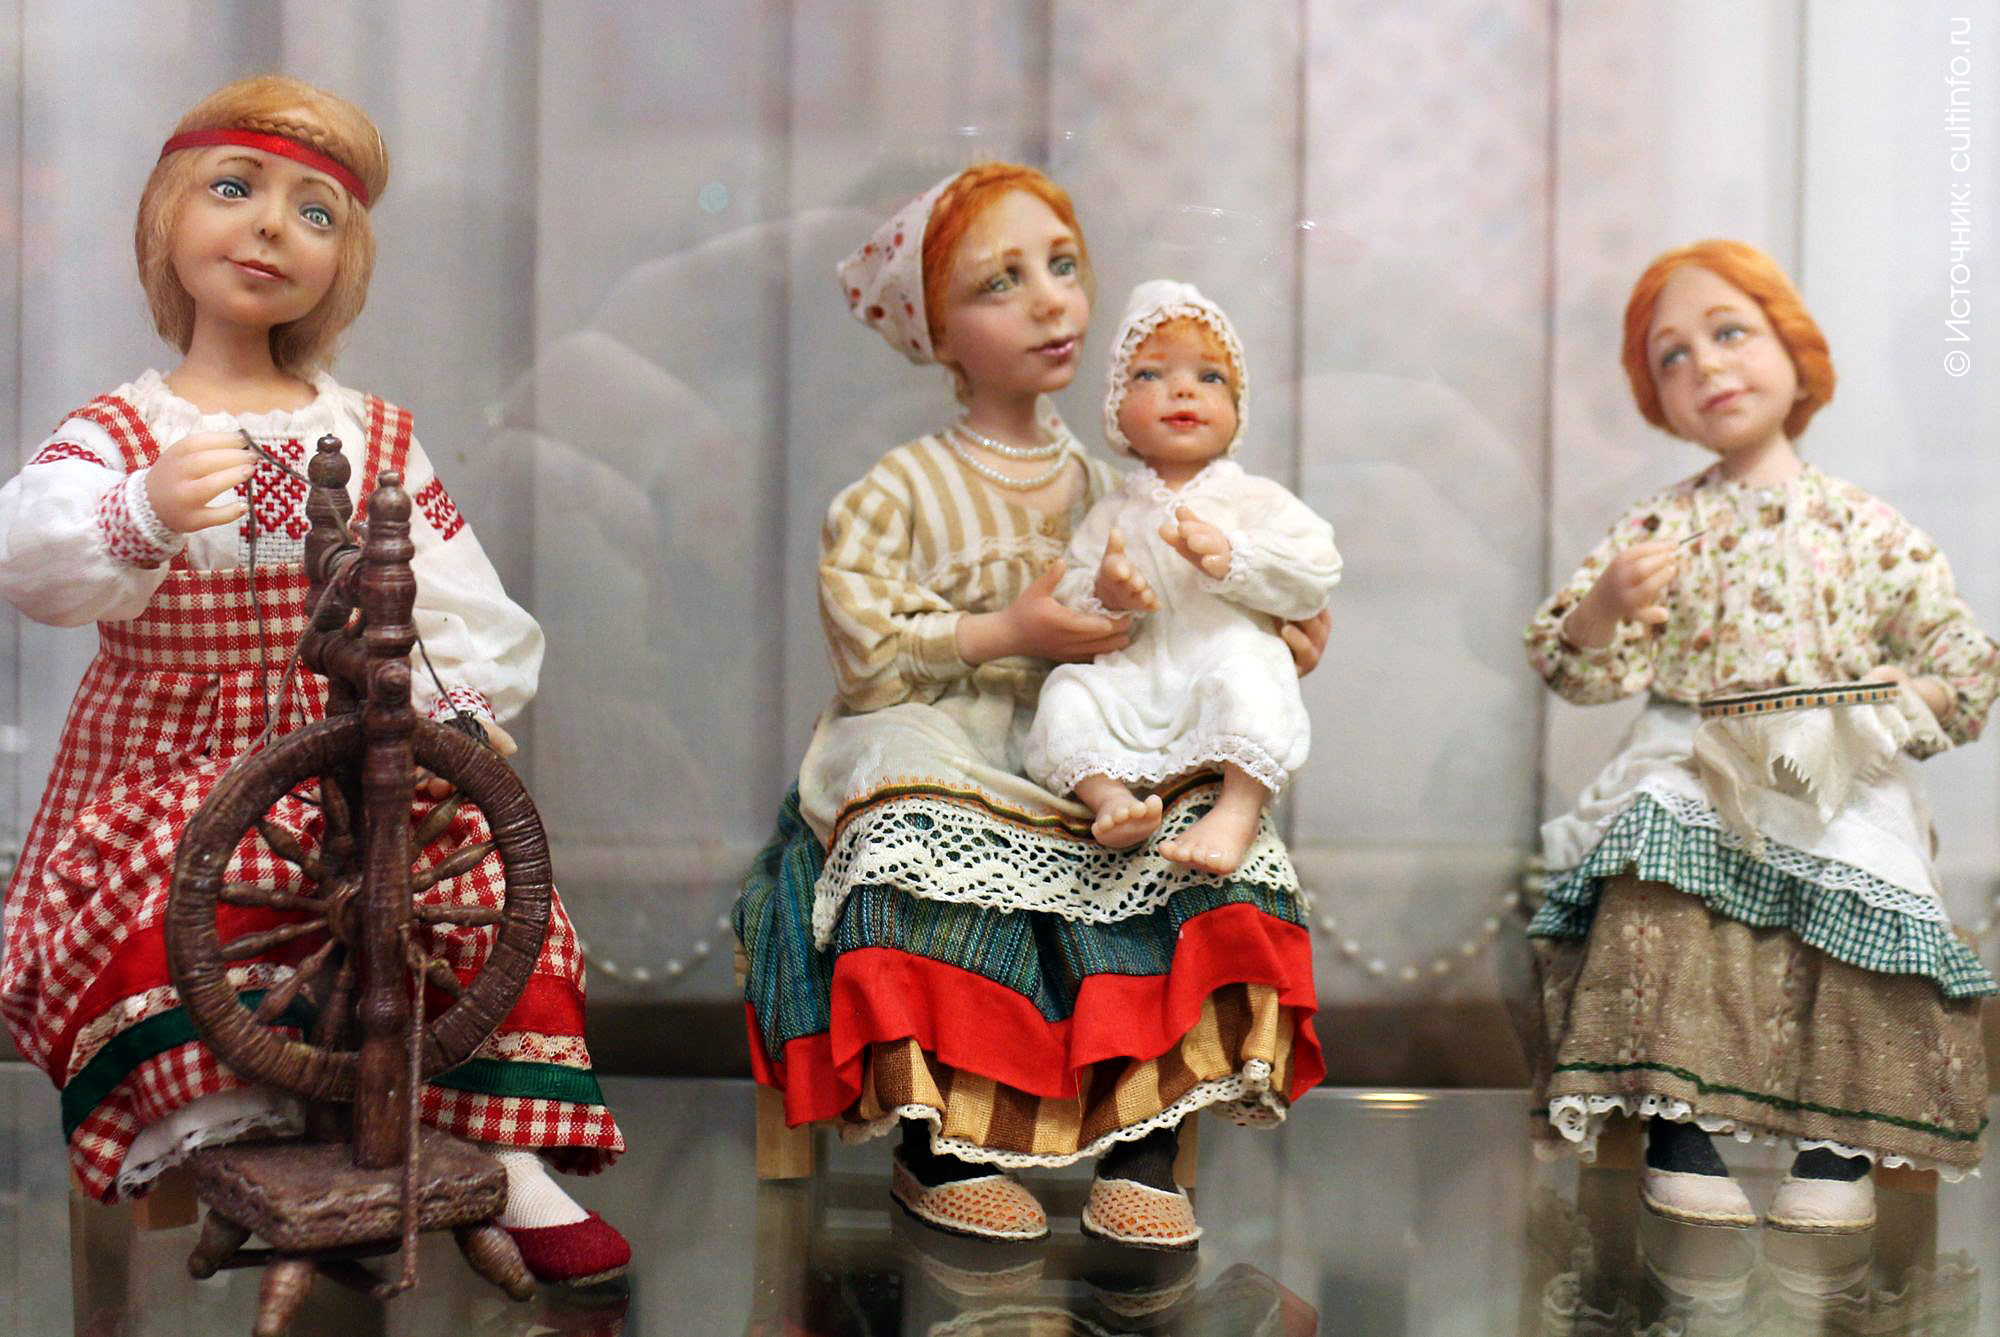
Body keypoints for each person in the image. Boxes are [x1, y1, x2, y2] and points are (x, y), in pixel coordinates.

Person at [0, 76, 627, 1284]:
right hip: (170, 759)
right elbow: (32, 556)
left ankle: (497, 1147)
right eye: (235, 189)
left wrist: (453, 714)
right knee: (183, 889)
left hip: (352, 738)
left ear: (344, 263)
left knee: (479, 882)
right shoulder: (121, 432)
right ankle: (251, 1136)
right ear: (167, 219)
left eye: (315, 212)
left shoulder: (374, 434)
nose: (270, 228)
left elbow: (454, 601)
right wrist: (139, 511)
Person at [736, 164, 1326, 1250]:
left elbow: (1192, 611)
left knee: (1204, 836)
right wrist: (1008, 630)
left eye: (1061, 266)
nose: (1050, 302)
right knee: (913, 828)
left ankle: (1144, 1141)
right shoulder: (902, 487)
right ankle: (943, 1145)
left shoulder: (1120, 485)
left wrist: (1269, 631)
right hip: (940, 720)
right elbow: (867, 650)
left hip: (1091, 725)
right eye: (999, 284)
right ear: (937, 332)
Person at [1524, 239, 2000, 1235]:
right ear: (1657, 394)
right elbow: (1573, 666)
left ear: (1791, 347)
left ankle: (1839, 1144)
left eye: (1730, 332)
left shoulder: (1865, 527)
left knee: (1866, 865)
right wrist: (1606, 605)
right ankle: (1675, 1125)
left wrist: (1895, 698)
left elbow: (1963, 665)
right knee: (1657, 843)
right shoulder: (1660, 526)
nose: (1706, 365)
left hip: (1830, 760)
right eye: (1673, 356)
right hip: (1696, 748)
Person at [1023, 279, 1340, 875]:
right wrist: (1105, 594)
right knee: (1067, 693)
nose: (1183, 389)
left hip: (1217, 657)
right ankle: (1109, 798)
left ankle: (1236, 809)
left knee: (1254, 672)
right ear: (1117, 410)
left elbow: (1316, 568)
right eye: (1149, 375)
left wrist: (1235, 557)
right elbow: (1069, 590)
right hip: (1136, 676)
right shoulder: (1113, 510)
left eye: (1210, 377)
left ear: (1237, 411)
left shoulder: (1252, 499)